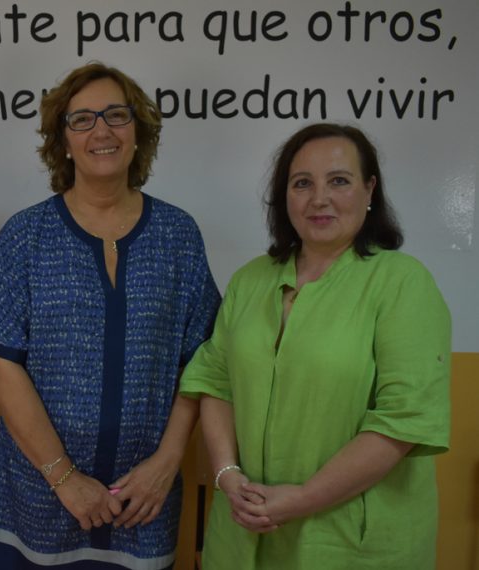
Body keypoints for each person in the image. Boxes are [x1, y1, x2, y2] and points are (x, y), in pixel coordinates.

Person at [0, 62, 221, 570]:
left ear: (138, 132)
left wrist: (167, 462)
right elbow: (2, 367)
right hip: (36, 498)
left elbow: (202, 361)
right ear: (63, 141)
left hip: (143, 502)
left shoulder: (178, 236)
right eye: (82, 119)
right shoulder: (25, 237)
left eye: (116, 115)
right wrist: (65, 479)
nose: (101, 130)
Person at [181, 123, 451, 569]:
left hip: (349, 544)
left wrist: (303, 498)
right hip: (242, 530)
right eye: (302, 183)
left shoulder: (403, 283)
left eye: (339, 181)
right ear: (284, 195)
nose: (319, 198)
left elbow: (404, 420)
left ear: (370, 189)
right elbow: (215, 380)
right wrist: (228, 475)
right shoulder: (250, 280)